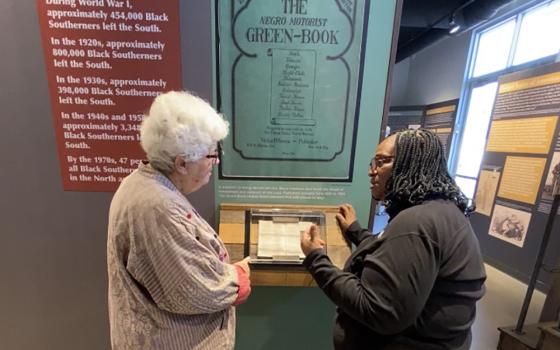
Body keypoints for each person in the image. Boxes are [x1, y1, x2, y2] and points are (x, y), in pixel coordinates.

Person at [301, 129, 486, 350]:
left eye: (382, 162)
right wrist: (355, 231)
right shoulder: (437, 211)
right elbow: (395, 256)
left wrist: (316, 260)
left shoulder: (416, 223)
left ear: (412, 164)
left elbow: (378, 310)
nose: (372, 171)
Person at [107, 91, 251, 350]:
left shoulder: (141, 184)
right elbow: (192, 288)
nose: (215, 162)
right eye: (210, 155)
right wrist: (237, 279)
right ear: (182, 163)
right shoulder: (157, 206)